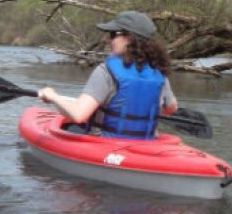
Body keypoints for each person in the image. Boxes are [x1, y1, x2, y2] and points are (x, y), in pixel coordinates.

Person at [38, 11, 178, 139]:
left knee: (69, 126)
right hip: (145, 146)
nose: (108, 40)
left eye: (113, 35)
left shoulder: (106, 71)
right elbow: (171, 108)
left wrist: (52, 96)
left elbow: (78, 115)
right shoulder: (158, 73)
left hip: (106, 145)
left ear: (129, 38)